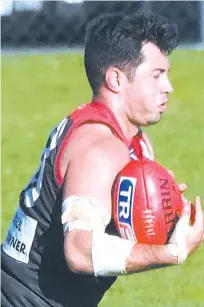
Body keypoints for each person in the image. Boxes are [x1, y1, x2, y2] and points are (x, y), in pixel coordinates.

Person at [1, 12, 203, 307]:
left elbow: (122, 225)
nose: (168, 86)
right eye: (157, 75)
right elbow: (80, 251)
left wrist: (163, 213)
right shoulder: (99, 148)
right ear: (116, 79)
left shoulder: (133, 141)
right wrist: (171, 252)